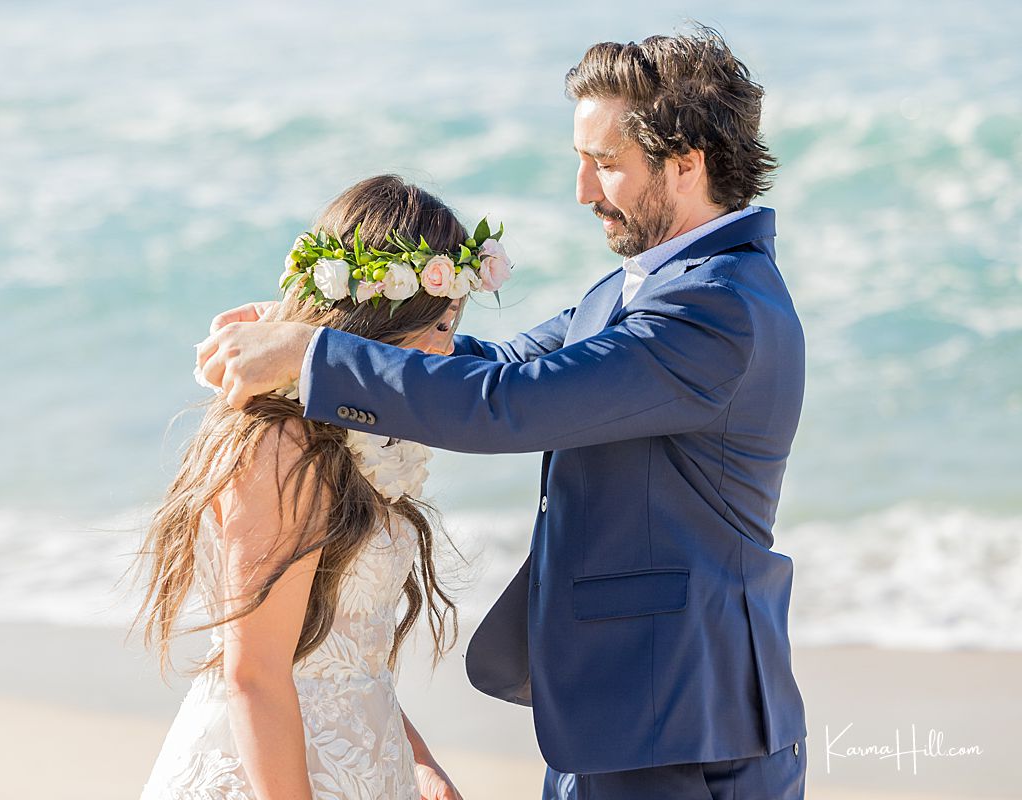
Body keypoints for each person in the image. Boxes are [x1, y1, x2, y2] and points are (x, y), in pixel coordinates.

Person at [196, 27, 809, 800]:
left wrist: (312, 361)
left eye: (606, 164)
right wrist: (320, 330)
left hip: (683, 722)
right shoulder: (647, 287)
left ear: (686, 163)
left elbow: (507, 407)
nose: (583, 190)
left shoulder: (716, 310)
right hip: (629, 716)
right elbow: (497, 365)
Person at [132, 174, 499, 800]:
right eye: (438, 326)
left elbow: (338, 662)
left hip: (361, 769)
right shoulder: (283, 446)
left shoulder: (361, 438)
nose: (450, 354)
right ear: (381, 317)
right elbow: (256, 676)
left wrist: (418, 763)